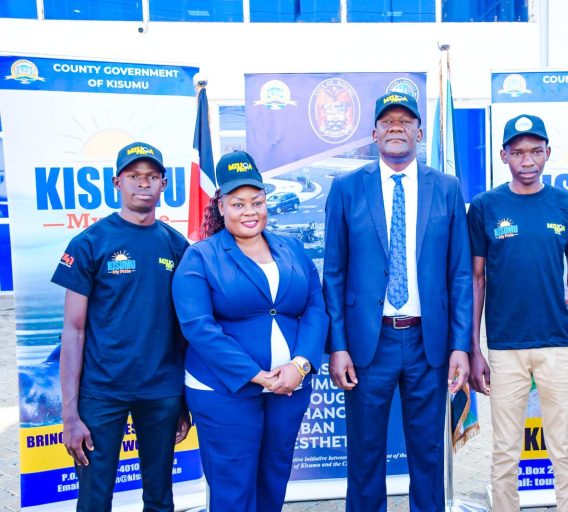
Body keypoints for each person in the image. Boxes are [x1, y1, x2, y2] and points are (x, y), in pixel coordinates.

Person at [323, 92, 472, 512]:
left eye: (405, 121)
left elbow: (460, 274)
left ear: (419, 133)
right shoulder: (347, 188)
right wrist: (338, 346)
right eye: (387, 121)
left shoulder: (446, 188)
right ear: (374, 133)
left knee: (429, 454)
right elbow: (333, 273)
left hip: (429, 343)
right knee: (365, 453)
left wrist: (460, 345)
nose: (396, 127)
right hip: (369, 344)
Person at [172, 150, 328, 512]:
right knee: (234, 490)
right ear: (221, 206)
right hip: (223, 392)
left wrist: (301, 365)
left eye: (257, 202)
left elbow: (316, 308)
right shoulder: (201, 257)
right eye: (238, 204)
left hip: (288, 390)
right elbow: (199, 327)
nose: (249, 212)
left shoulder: (291, 249)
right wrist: (257, 375)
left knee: (273, 481)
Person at [52, 142, 190, 511]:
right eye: (134, 176)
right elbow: (73, 331)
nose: (143, 183)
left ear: (163, 184)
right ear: (117, 182)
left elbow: (186, 329)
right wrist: (69, 413)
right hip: (101, 392)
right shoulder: (89, 243)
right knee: (94, 500)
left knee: (160, 499)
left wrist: (182, 400)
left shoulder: (178, 246)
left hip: (161, 392)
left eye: (152, 176)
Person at [467, 114, 568, 511]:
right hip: (505, 347)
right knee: (506, 450)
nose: (528, 161)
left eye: (536, 151)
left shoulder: (566, 205)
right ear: (503, 155)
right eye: (518, 152)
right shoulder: (485, 207)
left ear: (548, 153)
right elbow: (476, 279)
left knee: (564, 447)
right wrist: (474, 349)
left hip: (558, 344)